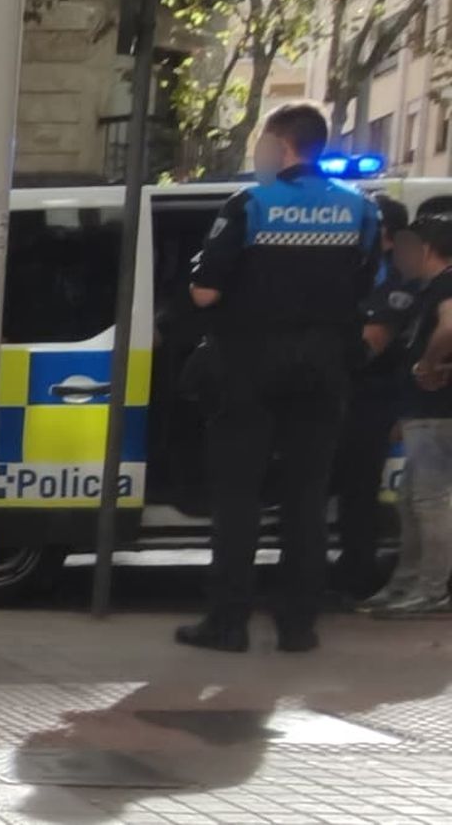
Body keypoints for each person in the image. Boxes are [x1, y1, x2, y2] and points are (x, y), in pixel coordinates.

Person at [176, 102, 380, 653]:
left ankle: (227, 622)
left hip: (249, 365)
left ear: (280, 145)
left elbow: (205, 291)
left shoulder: (252, 202)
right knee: (307, 498)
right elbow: (368, 284)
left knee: (238, 496)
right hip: (324, 366)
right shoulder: (360, 209)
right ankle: (298, 626)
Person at [331, 194, 415, 600]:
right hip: (341, 397)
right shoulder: (358, 271)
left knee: (358, 493)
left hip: (372, 399)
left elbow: (373, 342)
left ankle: (355, 578)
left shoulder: (400, 282)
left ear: (386, 235)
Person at [371, 214, 452, 616]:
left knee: (430, 501)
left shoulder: (445, 284)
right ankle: (407, 582)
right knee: (411, 501)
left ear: (426, 249)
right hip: (423, 412)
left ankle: (432, 590)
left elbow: (450, 326)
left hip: (438, 411)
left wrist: (427, 364)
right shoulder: (428, 288)